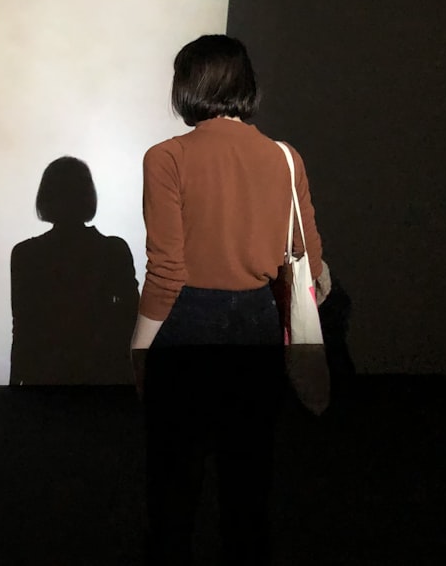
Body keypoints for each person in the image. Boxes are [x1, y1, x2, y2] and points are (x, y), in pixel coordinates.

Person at [130, 35, 324, 565]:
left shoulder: (166, 157)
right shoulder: (285, 158)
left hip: (185, 324)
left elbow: (166, 271)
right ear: (247, 84)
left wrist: (141, 350)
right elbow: (312, 263)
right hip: (256, 325)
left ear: (186, 87)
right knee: (248, 483)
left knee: (173, 485)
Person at [10, 157, 139, 385]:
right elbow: (130, 319)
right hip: (105, 377)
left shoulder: (25, 254)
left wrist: (15, 389)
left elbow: (23, 328)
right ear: (88, 197)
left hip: (46, 377)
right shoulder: (114, 250)